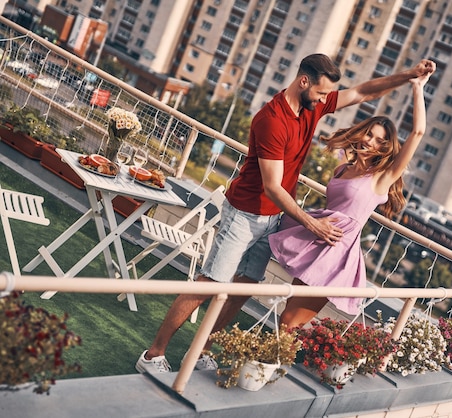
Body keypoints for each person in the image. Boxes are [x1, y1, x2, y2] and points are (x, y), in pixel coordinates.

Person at [136, 54, 434, 373]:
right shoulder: (271, 120)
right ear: (303, 81)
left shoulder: (312, 106)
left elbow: (364, 92)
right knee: (210, 283)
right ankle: (154, 354)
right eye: (321, 93)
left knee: (245, 288)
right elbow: (273, 187)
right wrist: (312, 224)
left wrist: (410, 77)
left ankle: (201, 350)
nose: (324, 101)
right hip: (246, 214)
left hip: (274, 220)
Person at [271, 61, 435, 327]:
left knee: (290, 321)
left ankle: (269, 365)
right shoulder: (341, 169)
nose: (370, 142)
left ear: (386, 147)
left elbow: (417, 132)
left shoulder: (383, 178)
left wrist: (417, 87)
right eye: (369, 135)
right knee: (287, 319)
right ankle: (269, 365)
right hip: (317, 240)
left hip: (338, 252)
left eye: (379, 140)